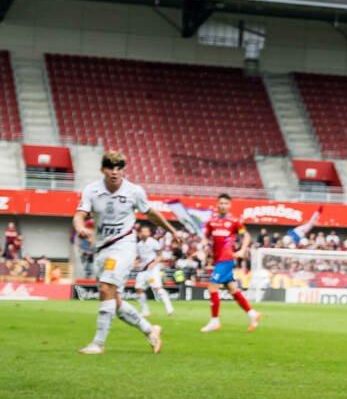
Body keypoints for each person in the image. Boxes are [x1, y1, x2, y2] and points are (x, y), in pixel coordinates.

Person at [71, 151, 175, 355]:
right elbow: (79, 215)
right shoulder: (92, 190)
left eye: (119, 168)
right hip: (101, 249)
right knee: (114, 300)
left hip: (123, 247)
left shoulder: (134, 191)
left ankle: (98, 343)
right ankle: (150, 330)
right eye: (110, 167)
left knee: (105, 288)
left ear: (123, 170)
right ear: (103, 169)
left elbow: (151, 213)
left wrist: (172, 230)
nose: (114, 172)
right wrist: (80, 227)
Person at [199, 193, 259, 332]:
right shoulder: (211, 222)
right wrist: (202, 245)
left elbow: (247, 236)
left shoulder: (234, 221)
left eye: (226, 203)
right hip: (218, 259)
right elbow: (205, 237)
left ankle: (214, 321)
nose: (223, 206)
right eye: (221, 203)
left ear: (230, 205)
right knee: (232, 289)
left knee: (212, 288)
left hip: (226, 259)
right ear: (217, 204)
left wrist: (243, 250)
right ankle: (252, 314)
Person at [130, 222, 175, 318]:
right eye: (142, 231)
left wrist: (154, 263)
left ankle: (169, 307)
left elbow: (160, 256)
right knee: (138, 288)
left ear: (149, 233)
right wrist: (135, 263)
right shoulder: (139, 245)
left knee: (158, 289)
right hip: (143, 270)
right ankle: (145, 311)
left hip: (153, 270)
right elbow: (138, 258)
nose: (144, 233)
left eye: (146, 231)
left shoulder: (154, 242)